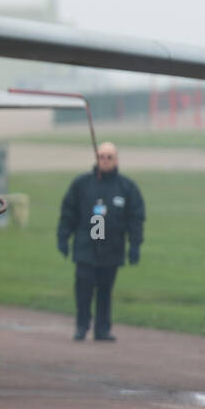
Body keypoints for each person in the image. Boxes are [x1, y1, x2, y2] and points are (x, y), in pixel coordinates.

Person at [56, 141, 144, 342]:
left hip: (112, 249)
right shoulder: (82, 184)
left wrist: (135, 245)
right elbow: (68, 213)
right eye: (101, 156)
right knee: (83, 289)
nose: (104, 160)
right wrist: (63, 238)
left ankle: (102, 329)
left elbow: (135, 218)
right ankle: (82, 326)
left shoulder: (126, 187)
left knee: (105, 290)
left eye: (109, 157)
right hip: (86, 247)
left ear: (116, 160)